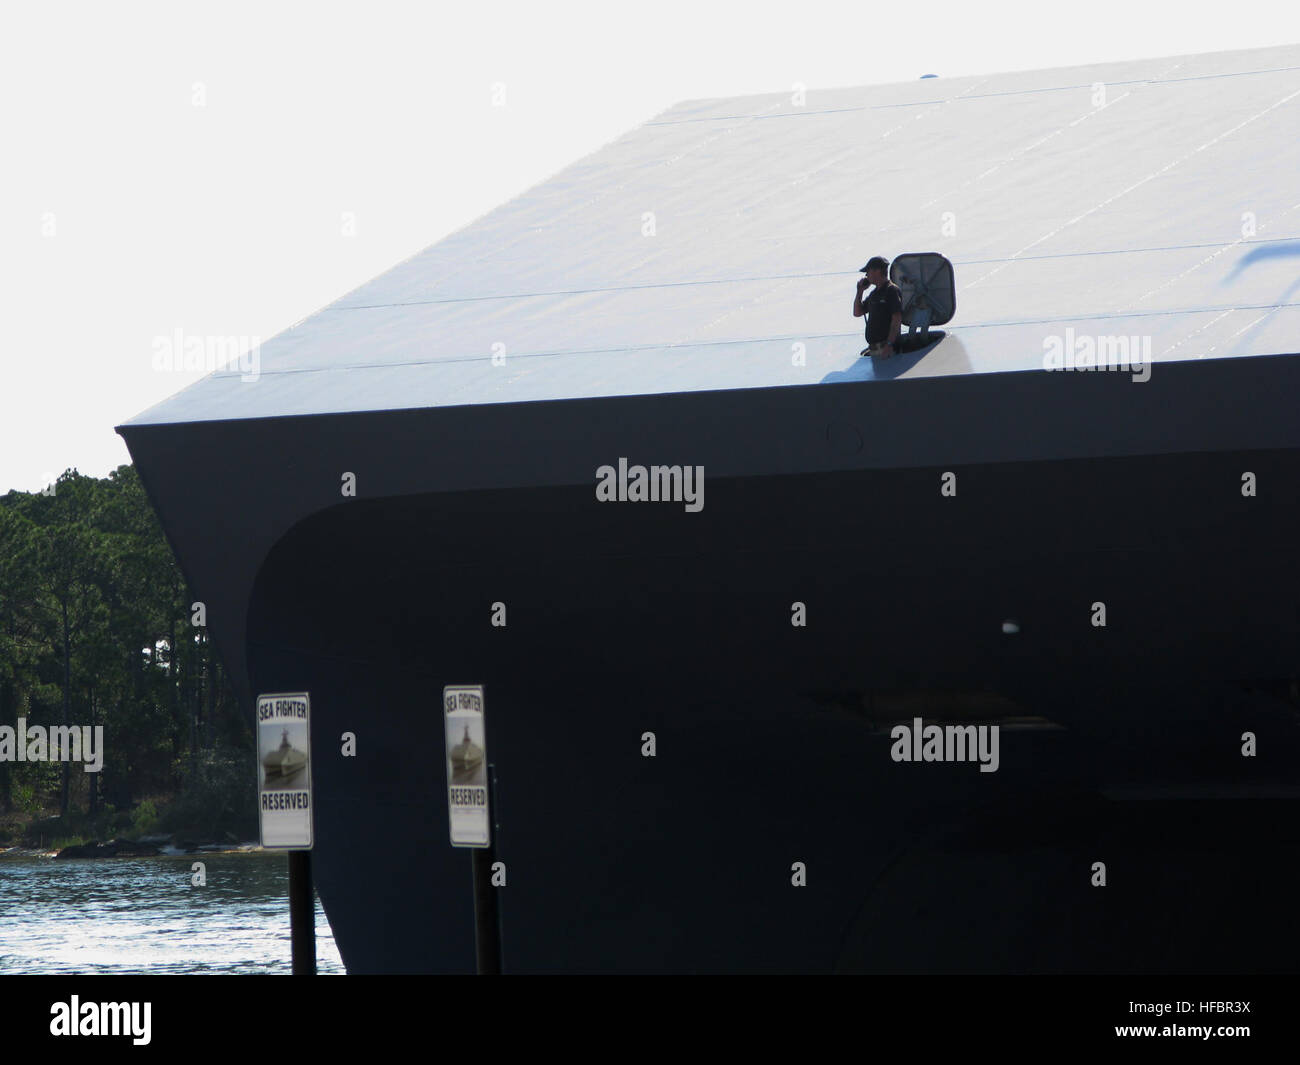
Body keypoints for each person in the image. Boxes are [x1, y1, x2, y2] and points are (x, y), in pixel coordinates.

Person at [853, 256, 903, 358]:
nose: (866, 275)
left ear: (877, 271)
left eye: (868, 271)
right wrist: (860, 291)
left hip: (886, 348)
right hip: (874, 349)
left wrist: (889, 344)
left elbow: (896, 319)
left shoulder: (891, 290)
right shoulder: (874, 294)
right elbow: (857, 312)